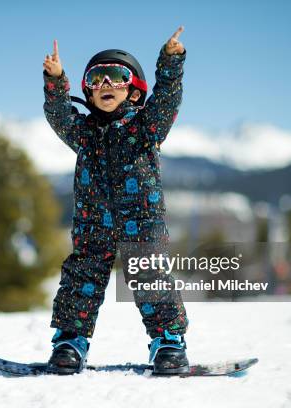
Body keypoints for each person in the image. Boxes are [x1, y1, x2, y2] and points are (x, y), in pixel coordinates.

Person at [42, 27, 188, 375]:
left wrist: (171, 61)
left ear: (134, 90)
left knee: (150, 278)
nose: (106, 83)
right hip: (93, 226)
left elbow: (167, 98)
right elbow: (59, 115)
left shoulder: (146, 126)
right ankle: (69, 342)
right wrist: (56, 80)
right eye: (97, 77)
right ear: (88, 92)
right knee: (81, 279)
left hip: (143, 222)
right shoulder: (83, 132)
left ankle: (168, 342)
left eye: (117, 76)